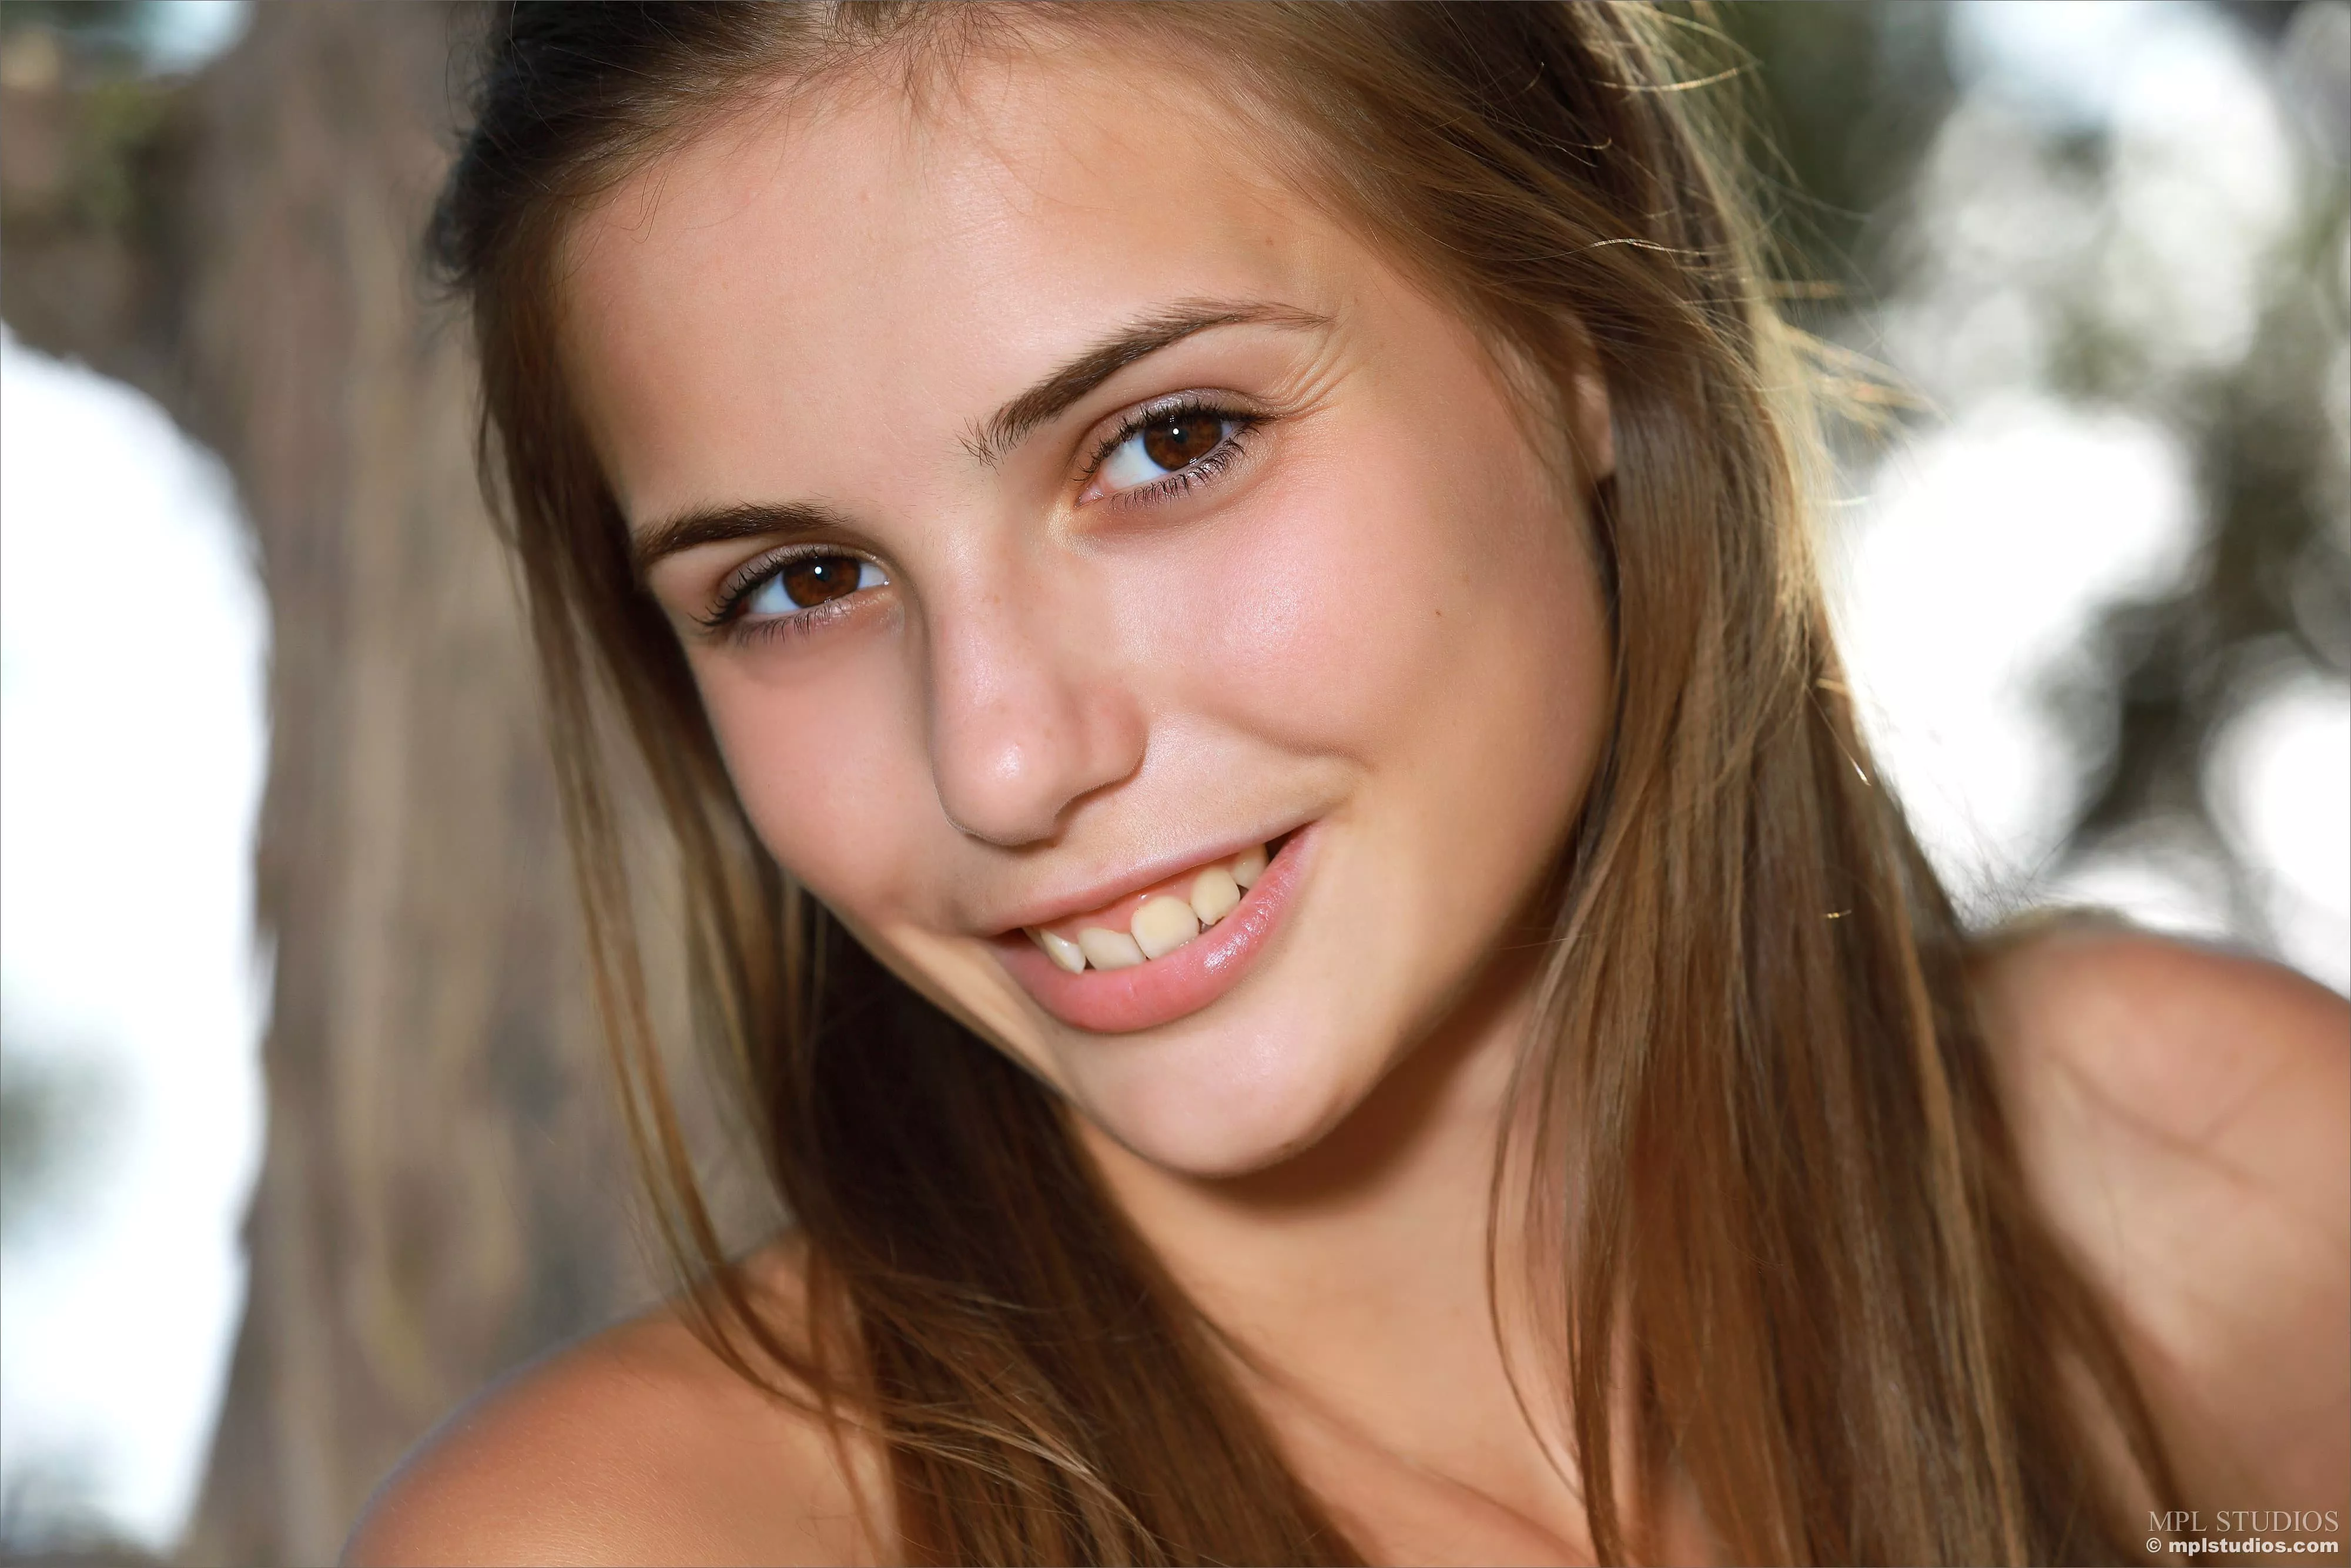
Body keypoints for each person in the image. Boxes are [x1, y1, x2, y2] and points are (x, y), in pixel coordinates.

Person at [343, 4, 2349, 1563]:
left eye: (1167, 443)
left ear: (1571, 330)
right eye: (800, 583)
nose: (1002, 757)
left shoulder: (2230, 1197)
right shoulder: (633, 1538)